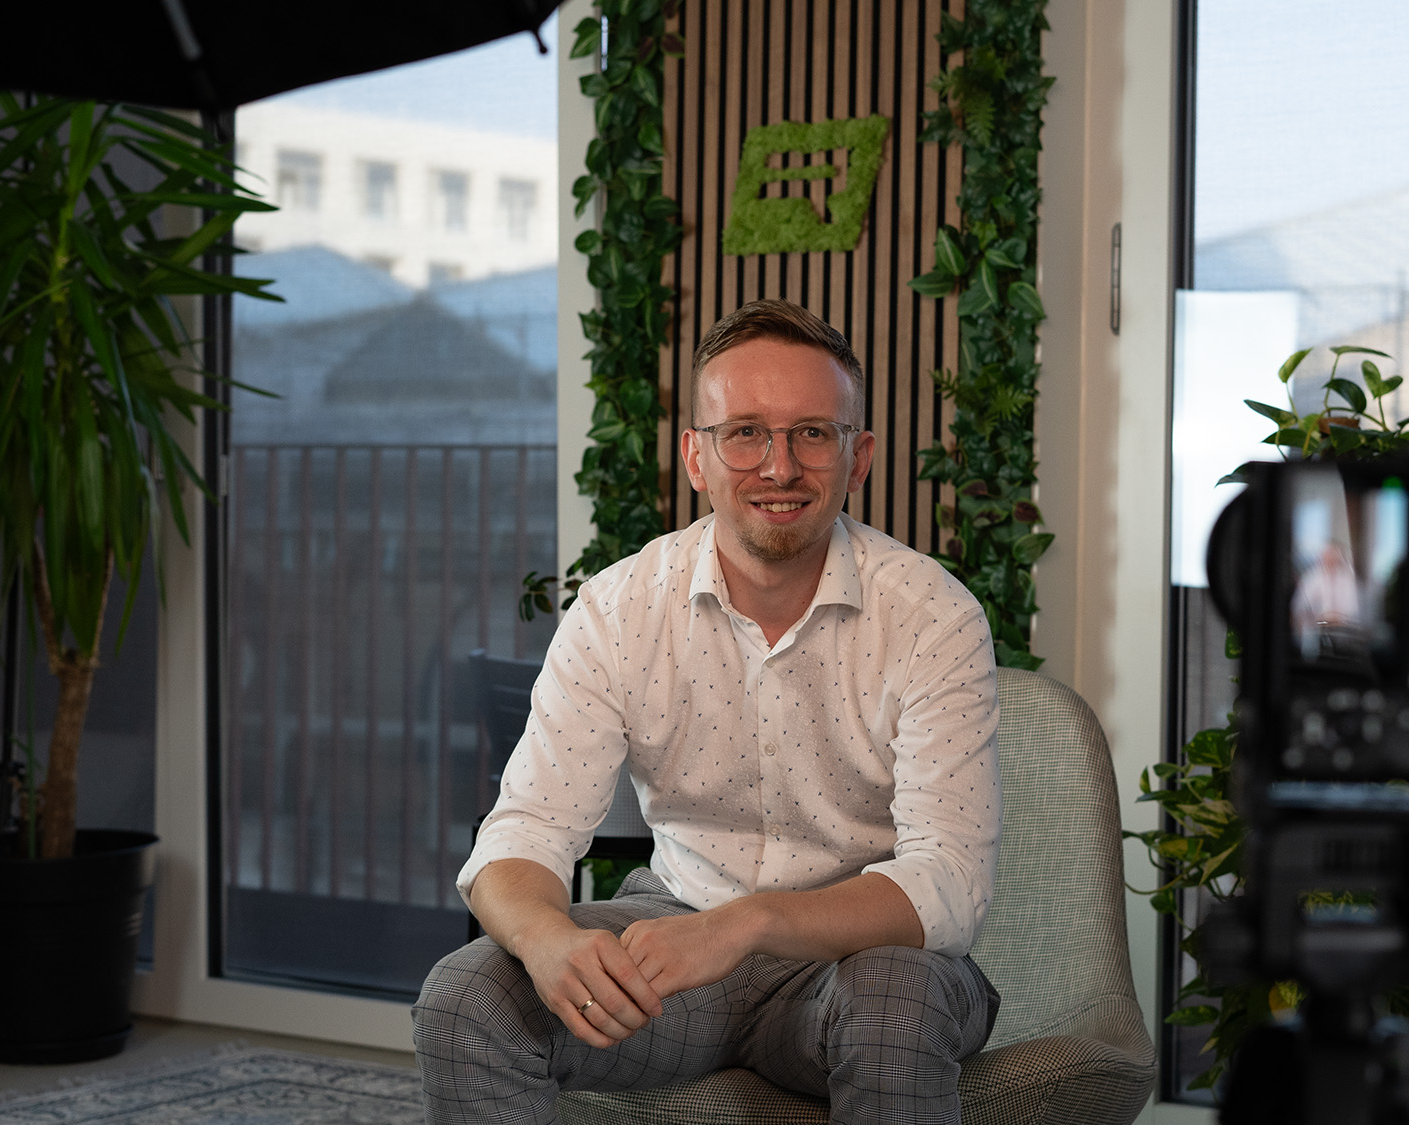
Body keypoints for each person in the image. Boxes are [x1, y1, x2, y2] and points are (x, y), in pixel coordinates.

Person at [413, 299, 1002, 1125]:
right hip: (678, 958)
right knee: (465, 995)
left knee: (896, 997)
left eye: (812, 433)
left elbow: (948, 883)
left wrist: (749, 924)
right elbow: (525, 831)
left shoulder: (933, 615)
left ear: (858, 456)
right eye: (745, 433)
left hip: (859, 963)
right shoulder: (619, 606)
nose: (779, 466)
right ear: (696, 455)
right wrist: (548, 940)